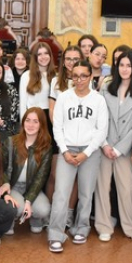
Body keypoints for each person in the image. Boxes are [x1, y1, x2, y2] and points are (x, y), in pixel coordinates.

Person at [48, 61, 108, 253]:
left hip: (90, 151)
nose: (79, 80)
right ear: (70, 77)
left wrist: (86, 153)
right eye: (75, 76)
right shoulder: (64, 98)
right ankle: (56, 234)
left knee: (85, 192)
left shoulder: (98, 100)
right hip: (67, 148)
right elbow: (57, 126)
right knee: (61, 194)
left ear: (91, 76)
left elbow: (102, 130)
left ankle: (81, 227)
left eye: (83, 75)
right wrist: (64, 151)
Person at [95, 50, 132, 243]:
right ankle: (103, 225)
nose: (125, 69)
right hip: (104, 145)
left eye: (129, 66)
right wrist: (105, 144)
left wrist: (119, 148)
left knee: (127, 188)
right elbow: (99, 118)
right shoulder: (106, 88)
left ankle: (131, 227)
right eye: (121, 65)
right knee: (102, 187)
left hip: (125, 149)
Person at [49, 45, 83, 226]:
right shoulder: (56, 81)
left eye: (75, 59)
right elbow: (52, 110)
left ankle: (69, 213)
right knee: (56, 176)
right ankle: (53, 213)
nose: (71, 63)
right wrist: (62, 133)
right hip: (59, 136)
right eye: (68, 59)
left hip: (80, 138)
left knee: (75, 177)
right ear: (63, 62)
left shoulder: (86, 81)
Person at [7, 107, 52, 234]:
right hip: (13, 187)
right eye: (28, 120)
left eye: (35, 121)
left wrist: (29, 201)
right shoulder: (12, 142)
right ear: (23, 122)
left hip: (32, 188)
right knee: (19, 208)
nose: (30, 125)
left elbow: (40, 179)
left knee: (44, 209)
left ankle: (35, 218)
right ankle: (9, 219)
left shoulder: (46, 148)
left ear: (41, 125)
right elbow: (4, 171)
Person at [19, 42, 56, 120]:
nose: (43, 57)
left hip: (51, 117)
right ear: (35, 57)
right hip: (33, 117)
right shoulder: (26, 75)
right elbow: (22, 103)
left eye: (46, 53)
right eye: (39, 54)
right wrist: (23, 122)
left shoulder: (56, 76)